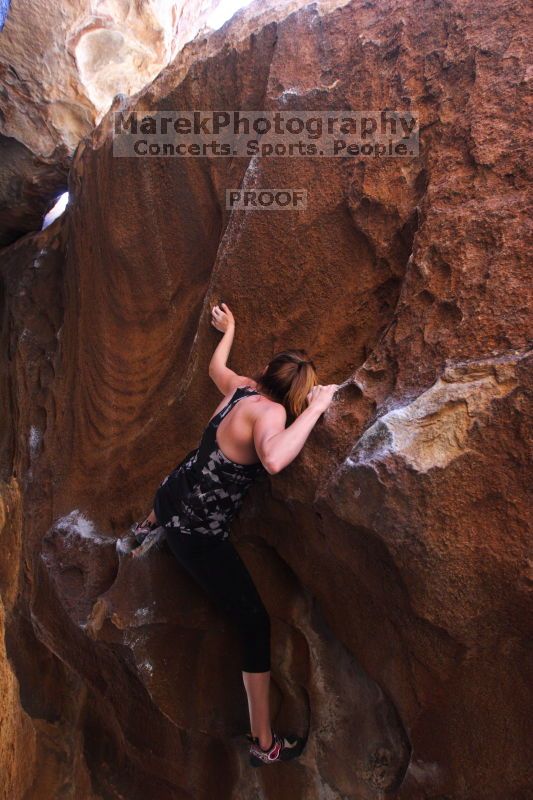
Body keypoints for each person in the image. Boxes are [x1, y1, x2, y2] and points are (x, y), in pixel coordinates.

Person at [132, 301, 338, 766]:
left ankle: (146, 523)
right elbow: (275, 459)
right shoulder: (272, 415)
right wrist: (318, 408)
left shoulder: (242, 389)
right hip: (196, 536)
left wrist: (229, 330)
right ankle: (263, 743)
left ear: (266, 371)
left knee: (191, 465)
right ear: (295, 397)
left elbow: (215, 368)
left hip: (169, 497)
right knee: (254, 623)